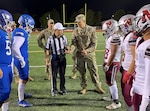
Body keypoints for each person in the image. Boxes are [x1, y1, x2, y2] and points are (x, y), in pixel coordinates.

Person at [71, 14, 105, 94]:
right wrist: (70, 49)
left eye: (79, 22)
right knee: (81, 71)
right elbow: (73, 43)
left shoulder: (91, 29)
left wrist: (87, 51)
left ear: (84, 21)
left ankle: (97, 86)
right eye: (77, 22)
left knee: (93, 70)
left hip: (89, 54)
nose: (77, 24)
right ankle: (83, 87)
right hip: (79, 54)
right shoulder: (75, 31)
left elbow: (94, 44)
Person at [12, 14, 35, 107]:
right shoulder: (20, 32)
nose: (30, 29)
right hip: (20, 59)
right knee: (23, 78)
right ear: (25, 24)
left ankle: (22, 94)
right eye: (29, 26)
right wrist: (22, 60)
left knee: (24, 77)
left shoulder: (20, 31)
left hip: (21, 58)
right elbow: (15, 47)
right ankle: (21, 100)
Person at [130, 4, 150, 111]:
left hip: (144, 94)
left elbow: (149, 78)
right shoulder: (143, 42)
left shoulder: (148, 45)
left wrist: (145, 101)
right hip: (140, 90)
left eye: (140, 19)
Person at [45, 22, 70, 96]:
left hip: (62, 58)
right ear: (55, 30)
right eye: (60, 30)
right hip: (55, 58)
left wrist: (68, 50)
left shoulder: (64, 37)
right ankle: (54, 89)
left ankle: (62, 88)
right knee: (54, 75)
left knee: (62, 74)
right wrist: (47, 60)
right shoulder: (50, 38)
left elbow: (67, 46)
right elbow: (47, 50)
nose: (61, 32)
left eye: (61, 30)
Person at [102, 19, 122, 109]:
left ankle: (116, 102)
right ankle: (112, 96)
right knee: (109, 81)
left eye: (106, 30)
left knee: (111, 82)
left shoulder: (115, 37)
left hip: (113, 63)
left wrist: (108, 64)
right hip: (110, 62)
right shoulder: (112, 36)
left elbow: (113, 53)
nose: (105, 31)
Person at [118, 14, 136, 111]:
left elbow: (135, 57)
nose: (121, 29)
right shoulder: (127, 36)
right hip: (126, 68)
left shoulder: (133, 36)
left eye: (122, 26)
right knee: (126, 94)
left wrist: (129, 72)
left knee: (129, 95)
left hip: (131, 70)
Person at [0, 9, 13, 111]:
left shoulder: (4, 32)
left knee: (7, 93)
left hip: (8, 66)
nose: (9, 25)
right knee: (3, 92)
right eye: (8, 22)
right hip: (2, 66)